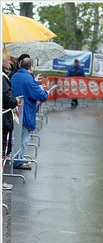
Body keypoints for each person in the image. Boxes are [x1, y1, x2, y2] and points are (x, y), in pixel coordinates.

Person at [11, 57, 49, 170]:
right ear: (31, 67)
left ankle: (16, 158)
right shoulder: (28, 78)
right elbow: (40, 95)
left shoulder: (15, 76)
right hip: (25, 111)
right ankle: (18, 161)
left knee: (16, 137)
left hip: (15, 111)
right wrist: (45, 92)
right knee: (23, 139)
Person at [2, 49, 21, 190]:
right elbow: (6, 98)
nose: (10, 62)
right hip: (3, 118)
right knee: (2, 149)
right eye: (8, 60)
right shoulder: (2, 77)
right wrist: (15, 101)